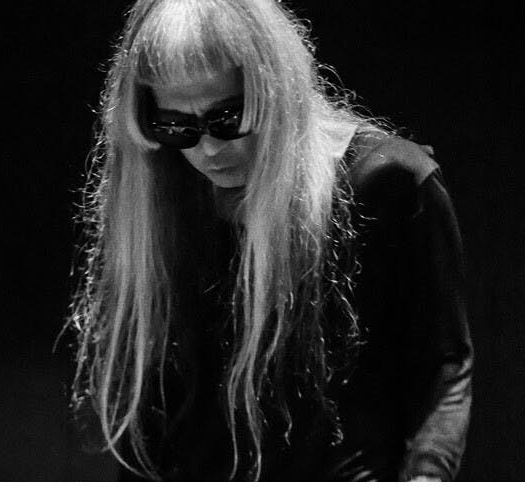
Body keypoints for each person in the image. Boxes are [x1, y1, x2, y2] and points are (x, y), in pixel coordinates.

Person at [62, 0, 473, 481]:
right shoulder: (160, 201)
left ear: (275, 89)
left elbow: (444, 365)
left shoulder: (387, 183)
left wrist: (427, 474)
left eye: (228, 117)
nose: (208, 149)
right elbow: (151, 414)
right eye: (177, 127)